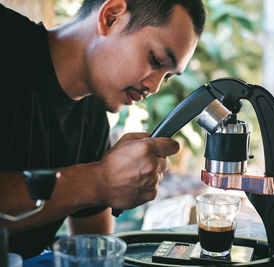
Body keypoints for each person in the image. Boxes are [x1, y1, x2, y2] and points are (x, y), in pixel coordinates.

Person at [0, 0, 205, 259]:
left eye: (167, 76)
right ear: (111, 17)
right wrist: (98, 181)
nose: (154, 88)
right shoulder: (5, 38)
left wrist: (112, 183)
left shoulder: (93, 121)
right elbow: (98, 183)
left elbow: (95, 250)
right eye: (156, 60)